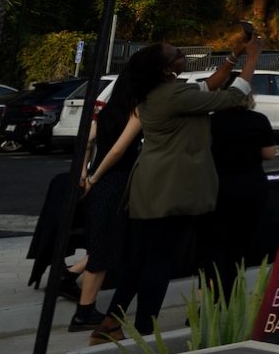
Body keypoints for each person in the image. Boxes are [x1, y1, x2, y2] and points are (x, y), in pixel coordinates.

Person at [90, 33, 259, 335]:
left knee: (139, 257)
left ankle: (111, 321)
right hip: (171, 188)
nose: (183, 55)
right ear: (166, 69)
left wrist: (234, 55)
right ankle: (144, 330)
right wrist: (254, 58)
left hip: (149, 186)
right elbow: (232, 97)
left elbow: (210, 83)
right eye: (177, 54)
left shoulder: (160, 92)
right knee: (160, 260)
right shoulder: (173, 96)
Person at [68, 75, 143, 337]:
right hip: (116, 181)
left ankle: (84, 305)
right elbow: (118, 152)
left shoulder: (107, 112)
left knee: (99, 242)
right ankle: (84, 310)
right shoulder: (136, 111)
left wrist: (83, 174)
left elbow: (86, 141)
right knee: (104, 247)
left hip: (99, 184)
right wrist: (95, 175)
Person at [200, 100, 277, 291]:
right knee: (239, 246)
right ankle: (229, 294)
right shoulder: (259, 120)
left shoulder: (210, 122)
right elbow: (269, 153)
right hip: (250, 188)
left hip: (217, 187)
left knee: (214, 245)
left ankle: (210, 297)